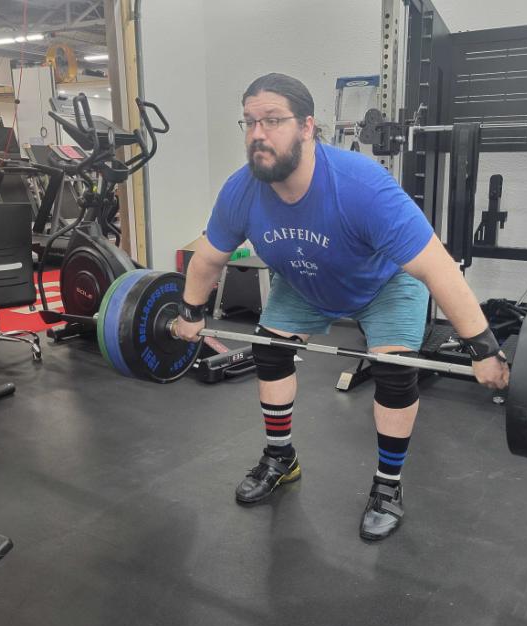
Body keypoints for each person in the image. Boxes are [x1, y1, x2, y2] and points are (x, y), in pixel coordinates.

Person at [174, 73, 509, 541]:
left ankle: (387, 486)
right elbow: (209, 258)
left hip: (383, 284)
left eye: (272, 120)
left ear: (308, 127)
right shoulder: (241, 190)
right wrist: (190, 313)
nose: (257, 135)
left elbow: (439, 267)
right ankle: (280, 458)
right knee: (270, 353)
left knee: (394, 372)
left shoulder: (361, 185)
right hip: (305, 280)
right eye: (249, 122)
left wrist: (483, 349)